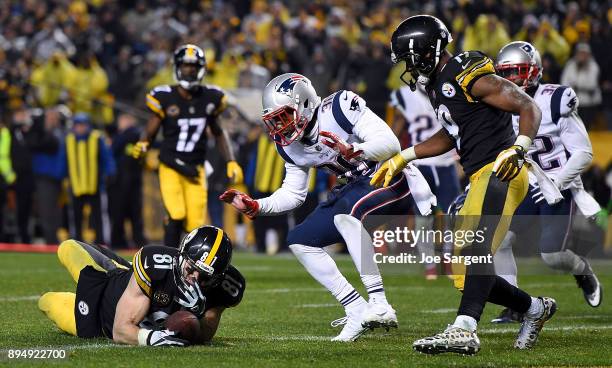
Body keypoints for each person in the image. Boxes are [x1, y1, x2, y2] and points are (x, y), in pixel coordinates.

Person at [372, 15, 555, 354]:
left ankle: (464, 328)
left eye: (409, 59)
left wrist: (519, 148)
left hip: (500, 170)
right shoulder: (437, 83)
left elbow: (526, 104)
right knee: (460, 270)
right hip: (478, 176)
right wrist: (405, 156)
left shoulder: (464, 72)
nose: (408, 68)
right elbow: (452, 132)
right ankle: (535, 309)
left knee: (475, 249)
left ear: (428, 52)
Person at [221, 73, 435, 341]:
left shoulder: (339, 107)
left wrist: (354, 150)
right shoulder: (290, 146)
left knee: (347, 214)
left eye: (284, 116)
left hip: (392, 176)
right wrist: (257, 206)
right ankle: (356, 308)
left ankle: (379, 303)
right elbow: (293, 194)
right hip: (354, 187)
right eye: (275, 121)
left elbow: (391, 144)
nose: (280, 127)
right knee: (300, 239)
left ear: (305, 103)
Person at [491, 41, 602, 323]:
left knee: (552, 256)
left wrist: (556, 182)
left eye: (517, 71)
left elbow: (584, 152)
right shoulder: (498, 104)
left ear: (534, 71)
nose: (512, 79)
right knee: (500, 241)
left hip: (557, 185)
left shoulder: (555, 99)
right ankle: (516, 304)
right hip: (525, 184)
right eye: (506, 73)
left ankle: (582, 270)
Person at [38, 225, 245, 346]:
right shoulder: (155, 265)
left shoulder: (226, 288)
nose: (195, 279)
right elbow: (123, 328)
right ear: (180, 255)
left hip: (99, 321)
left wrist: (196, 315)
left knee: (46, 300)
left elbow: (204, 335)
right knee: (66, 247)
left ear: (218, 277)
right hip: (110, 284)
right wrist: (152, 338)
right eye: (191, 269)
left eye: (205, 277)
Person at [132, 44, 244, 247]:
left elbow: (218, 131)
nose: (189, 70)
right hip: (170, 165)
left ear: (201, 68)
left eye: (193, 67)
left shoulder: (211, 97)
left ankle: (188, 265)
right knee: (176, 214)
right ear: (177, 67)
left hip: (196, 168)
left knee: (195, 223)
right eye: (185, 66)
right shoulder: (165, 96)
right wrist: (143, 142)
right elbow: (152, 127)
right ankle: (168, 259)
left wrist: (231, 160)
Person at [389, 84, 460, 280]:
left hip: (446, 162)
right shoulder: (404, 95)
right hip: (420, 164)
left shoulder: (447, 88)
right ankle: (430, 264)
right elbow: (396, 127)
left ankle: (448, 259)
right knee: (423, 219)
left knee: (450, 217)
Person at [60, 113, 116, 244]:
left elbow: (106, 158)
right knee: (76, 216)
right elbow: (63, 160)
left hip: (94, 185)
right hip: (75, 185)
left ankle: (102, 242)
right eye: (78, 125)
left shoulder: (96, 138)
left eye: (83, 125)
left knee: (98, 216)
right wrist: (60, 177)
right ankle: (77, 242)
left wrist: (110, 172)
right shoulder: (69, 140)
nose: (80, 128)